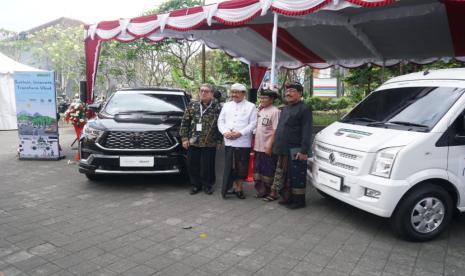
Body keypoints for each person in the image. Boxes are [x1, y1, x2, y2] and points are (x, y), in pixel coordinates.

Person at [270, 82, 312, 209]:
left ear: (300, 93)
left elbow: (307, 130)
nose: (288, 93)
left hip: (296, 148)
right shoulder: (285, 108)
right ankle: (287, 197)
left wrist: (304, 151)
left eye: (292, 90)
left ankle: (299, 201)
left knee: (296, 175)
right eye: (287, 91)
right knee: (285, 175)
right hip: (283, 147)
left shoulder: (305, 108)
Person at [179, 84, 222, 195]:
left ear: (212, 94)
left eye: (206, 91)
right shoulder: (192, 105)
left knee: (207, 165)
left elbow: (221, 125)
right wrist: (184, 138)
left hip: (209, 142)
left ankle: (207, 185)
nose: (203, 93)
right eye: (201, 91)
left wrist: (219, 140)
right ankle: (195, 185)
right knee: (193, 164)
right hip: (193, 141)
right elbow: (185, 122)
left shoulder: (217, 107)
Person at [218, 83, 257, 199]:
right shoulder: (226, 105)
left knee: (241, 166)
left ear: (243, 93)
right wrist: (225, 132)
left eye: (237, 92)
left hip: (243, 141)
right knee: (230, 166)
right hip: (229, 140)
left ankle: (239, 188)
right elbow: (221, 121)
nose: (234, 94)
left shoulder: (251, 106)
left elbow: (253, 123)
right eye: (233, 92)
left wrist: (240, 133)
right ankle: (229, 187)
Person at [253, 89, 280, 199]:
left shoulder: (275, 111)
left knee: (268, 170)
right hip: (258, 146)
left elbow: (275, 130)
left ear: (272, 99)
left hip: (267, 146)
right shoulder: (260, 111)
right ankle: (261, 191)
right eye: (261, 98)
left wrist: (269, 145)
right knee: (258, 169)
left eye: (265, 98)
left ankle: (271, 192)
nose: (262, 100)